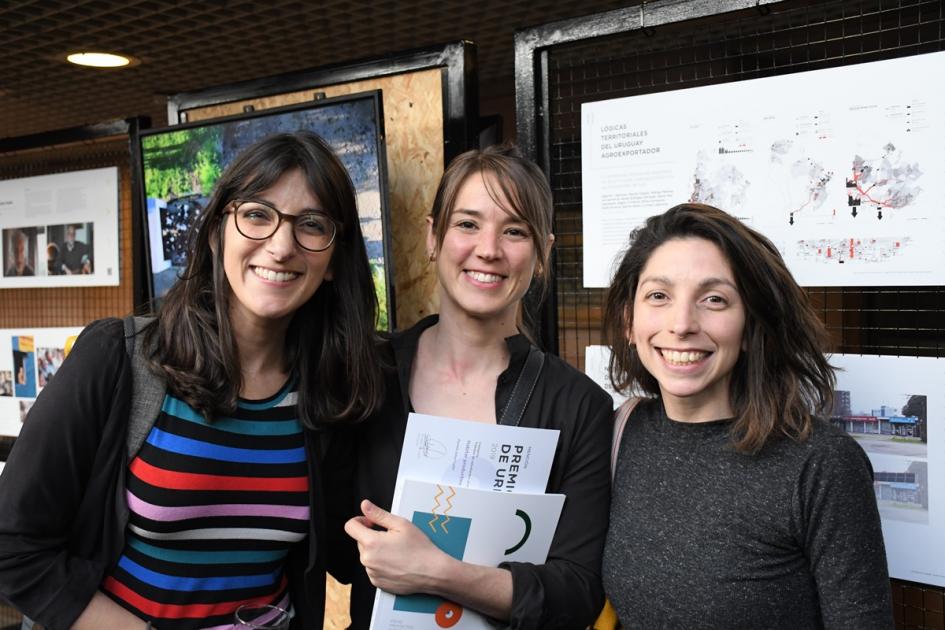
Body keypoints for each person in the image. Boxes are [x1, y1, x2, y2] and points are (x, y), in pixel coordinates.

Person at [0, 131, 384, 630]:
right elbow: (12, 546)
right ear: (216, 231)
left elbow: (345, 551)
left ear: (334, 261)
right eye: (257, 215)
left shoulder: (330, 392)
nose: (282, 245)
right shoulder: (118, 358)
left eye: (312, 225)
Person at [343, 144, 612, 629]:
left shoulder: (578, 405)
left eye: (514, 231)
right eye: (467, 224)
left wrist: (438, 572)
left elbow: (576, 594)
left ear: (543, 252)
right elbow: (333, 553)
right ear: (432, 237)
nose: (488, 248)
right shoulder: (366, 376)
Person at [600, 203, 893, 629]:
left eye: (714, 299)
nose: (681, 324)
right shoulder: (620, 434)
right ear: (629, 319)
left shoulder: (820, 465)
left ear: (752, 325)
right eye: (658, 296)